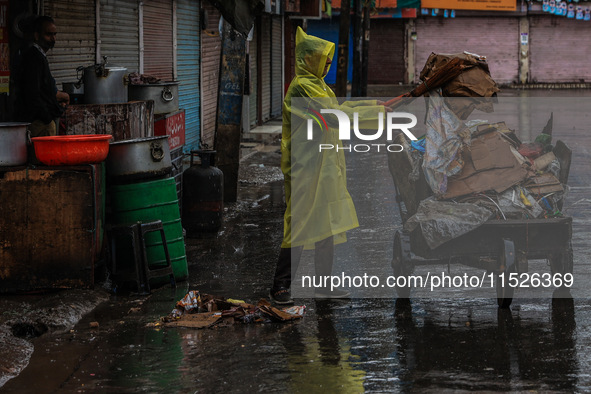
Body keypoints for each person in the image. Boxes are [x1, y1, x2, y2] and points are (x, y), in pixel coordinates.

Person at [269, 27, 388, 305]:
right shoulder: (302, 86)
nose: (328, 65)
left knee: (326, 226)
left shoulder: (319, 85)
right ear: (309, 60)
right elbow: (333, 116)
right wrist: (376, 111)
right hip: (306, 168)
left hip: (324, 167)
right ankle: (280, 287)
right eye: (324, 59)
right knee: (297, 225)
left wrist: (374, 106)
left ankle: (322, 287)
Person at [14, 15, 69, 142]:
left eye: (54, 34)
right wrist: (46, 118)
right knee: (42, 158)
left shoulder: (39, 56)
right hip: (38, 122)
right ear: (37, 35)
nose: (53, 38)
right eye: (49, 34)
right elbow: (32, 93)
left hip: (41, 119)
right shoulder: (33, 58)